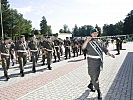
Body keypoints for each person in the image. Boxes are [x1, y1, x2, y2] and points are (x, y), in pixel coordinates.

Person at [82, 28, 115, 99]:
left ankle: (93, 85)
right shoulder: (89, 41)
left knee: (95, 76)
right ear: (91, 34)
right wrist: (87, 41)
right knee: (93, 76)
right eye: (94, 33)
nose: (95, 34)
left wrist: (110, 54)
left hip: (98, 62)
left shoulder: (100, 41)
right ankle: (98, 90)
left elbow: (105, 50)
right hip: (91, 62)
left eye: (96, 33)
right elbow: (83, 48)